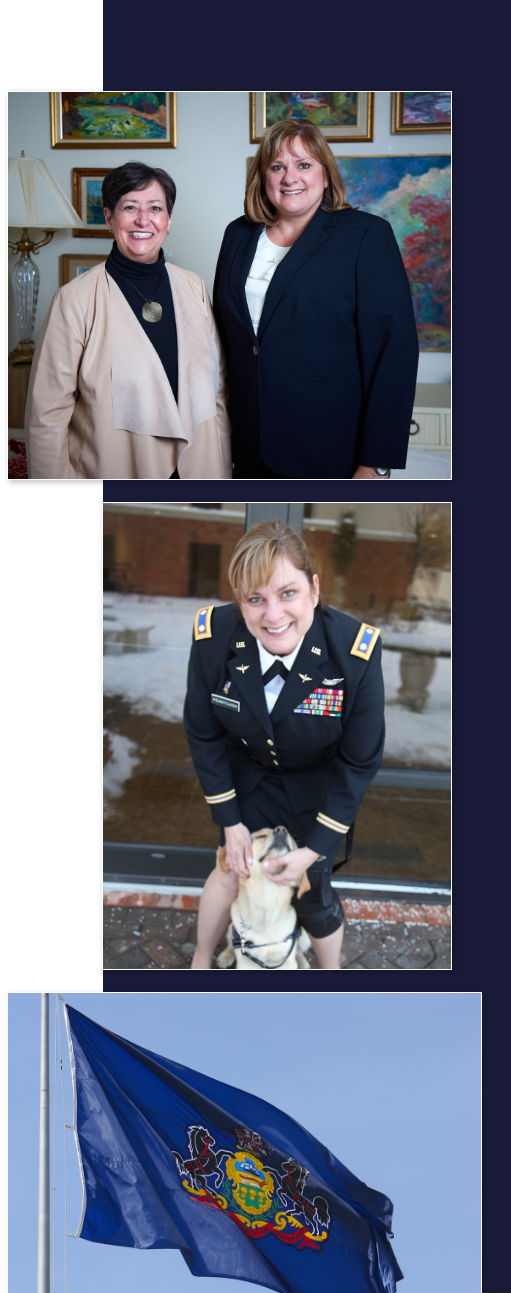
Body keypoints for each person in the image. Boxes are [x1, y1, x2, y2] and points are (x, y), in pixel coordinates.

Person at [183, 520, 385, 970]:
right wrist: (230, 821)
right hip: (248, 776)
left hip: (317, 787)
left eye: (288, 593)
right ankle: (201, 959)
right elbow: (204, 732)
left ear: (314, 589)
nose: (273, 615)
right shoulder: (214, 640)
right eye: (255, 599)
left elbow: (359, 761)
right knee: (231, 871)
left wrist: (314, 850)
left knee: (313, 889)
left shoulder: (354, 654)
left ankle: (330, 974)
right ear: (241, 601)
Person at [213, 120, 419, 479]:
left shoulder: (365, 235)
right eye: (277, 167)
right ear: (263, 177)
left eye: (304, 165)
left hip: (327, 447)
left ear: (326, 176)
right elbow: (224, 338)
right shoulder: (237, 234)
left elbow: (393, 352)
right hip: (245, 444)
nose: (289, 177)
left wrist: (376, 462)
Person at [25, 161, 231, 479]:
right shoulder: (74, 300)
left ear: (169, 219)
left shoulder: (195, 287)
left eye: (155, 208)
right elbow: (47, 415)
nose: (143, 220)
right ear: (109, 217)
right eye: (130, 207)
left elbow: (218, 391)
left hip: (198, 472)